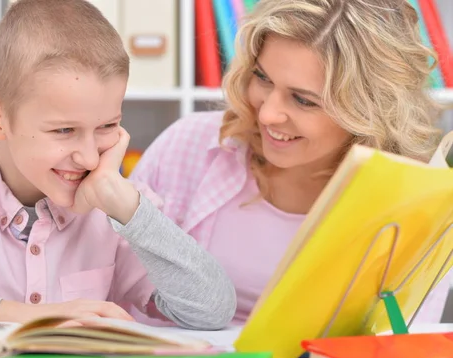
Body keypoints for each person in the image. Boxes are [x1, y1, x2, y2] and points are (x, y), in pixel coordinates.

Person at [0, 0, 237, 329]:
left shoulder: (118, 211)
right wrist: (24, 317)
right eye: (64, 130)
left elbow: (211, 311)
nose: (89, 157)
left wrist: (129, 209)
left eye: (107, 126)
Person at [129, 0, 450, 325]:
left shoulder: (413, 208)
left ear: (368, 111)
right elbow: (115, 281)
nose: (267, 113)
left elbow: (401, 340)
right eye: (263, 79)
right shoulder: (190, 144)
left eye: (303, 100)